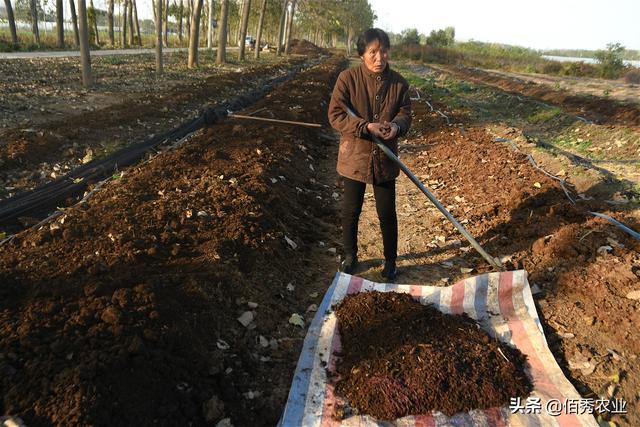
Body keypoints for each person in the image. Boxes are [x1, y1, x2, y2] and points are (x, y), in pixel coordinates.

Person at [328, 28, 412, 281]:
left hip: (385, 159)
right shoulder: (347, 79)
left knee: (387, 212)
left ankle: (390, 261)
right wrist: (365, 127)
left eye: (383, 51)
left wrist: (396, 127)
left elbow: (406, 114)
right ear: (362, 54)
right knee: (351, 210)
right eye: (372, 52)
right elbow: (336, 115)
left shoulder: (399, 83)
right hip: (355, 156)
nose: (379, 58)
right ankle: (351, 256)